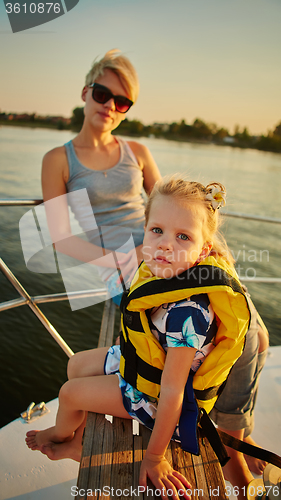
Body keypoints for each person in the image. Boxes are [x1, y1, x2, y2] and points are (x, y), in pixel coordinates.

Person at [26, 177, 266, 499]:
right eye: (157, 231)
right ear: (145, 229)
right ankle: (79, 437)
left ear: (203, 251)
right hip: (141, 362)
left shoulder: (188, 315)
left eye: (183, 237)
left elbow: (172, 392)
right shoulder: (159, 271)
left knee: (69, 394)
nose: (166, 244)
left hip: (156, 399)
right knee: (76, 364)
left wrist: (155, 458)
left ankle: (60, 437)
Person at [41, 49, 161, 305]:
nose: (110, 106)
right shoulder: (58, 160)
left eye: (122, 102)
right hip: (120, 270)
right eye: (102, 95)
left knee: (220, 291)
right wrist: (121, 259)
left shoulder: (138, 152)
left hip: (160, 250)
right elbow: (60, 238)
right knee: (181, 319)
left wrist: (153, 249)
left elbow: (169, 208)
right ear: (86, 93)